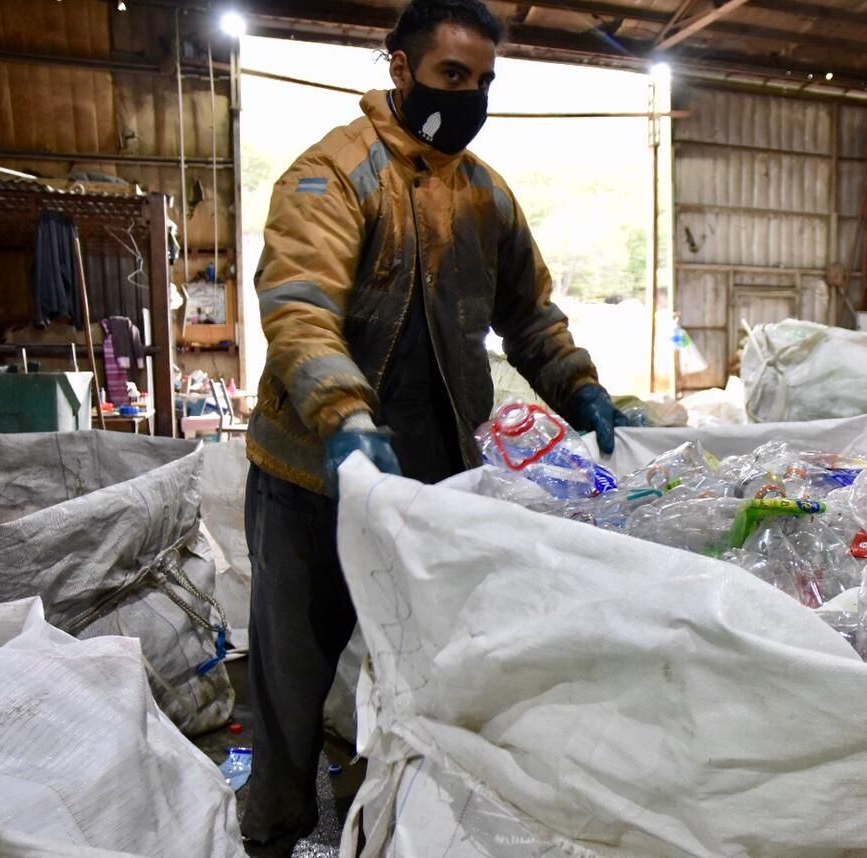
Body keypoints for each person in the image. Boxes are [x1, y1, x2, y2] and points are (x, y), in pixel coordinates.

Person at [240, 0, 626, 852]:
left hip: (432, 492)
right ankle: (272, 833)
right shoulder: (331, 175)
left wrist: (582, 388)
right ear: (401, 68)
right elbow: (300, 307)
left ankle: (396, 828)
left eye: (485, 80)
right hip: (317, 481)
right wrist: (343, 415)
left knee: (425, 679)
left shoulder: (485, 195)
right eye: (454, 75)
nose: (472, 94)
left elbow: (531, 317)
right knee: (291, 683)